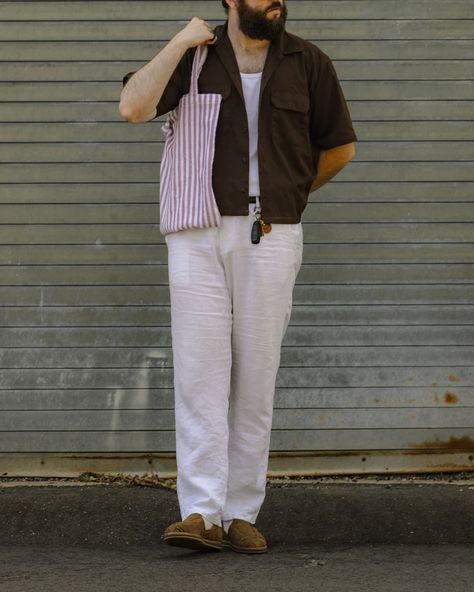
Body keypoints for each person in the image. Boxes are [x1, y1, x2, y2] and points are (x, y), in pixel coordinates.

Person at [119, 0, 357, 554]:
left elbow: (340, 147)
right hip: (196, 228)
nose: (272, 2)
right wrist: (180, 41)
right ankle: (201, 511)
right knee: (200, 370)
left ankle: (242, 511)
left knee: (256, 374)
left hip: (271, 230)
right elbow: (132, 106)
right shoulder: (195, 57)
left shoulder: (308, 62)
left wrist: (288, 193)